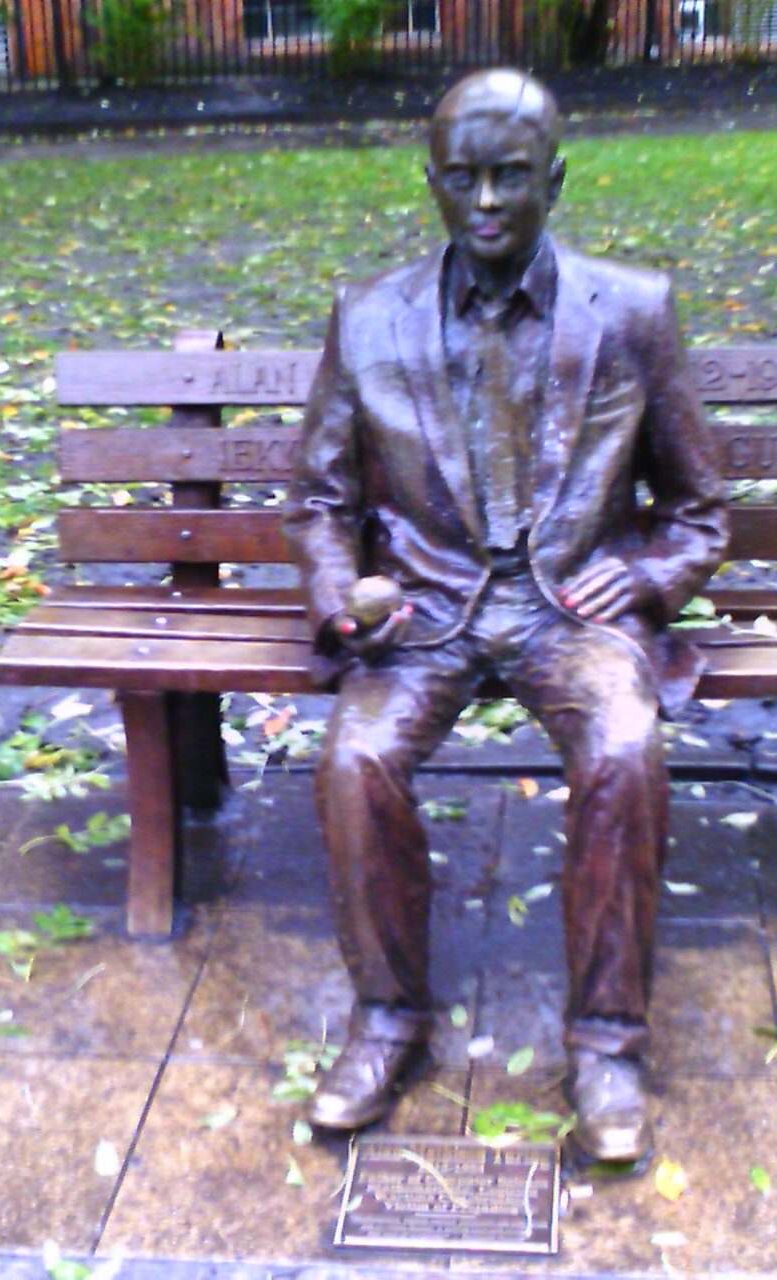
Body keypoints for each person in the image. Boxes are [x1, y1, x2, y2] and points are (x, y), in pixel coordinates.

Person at [282, 68, 727, 1163]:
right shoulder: (368, 316)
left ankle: (607, 1043)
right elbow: (320, 498)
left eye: (511, 177)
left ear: (555, 180)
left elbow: (701, 508)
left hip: (567, 609)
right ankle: (388, 1019)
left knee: (625, 745)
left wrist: (657, 573)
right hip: (425, 608)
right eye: (463, 178)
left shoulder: (631, 310)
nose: (485, 202)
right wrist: (342, 597)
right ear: (430, 182)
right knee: (354, 757)